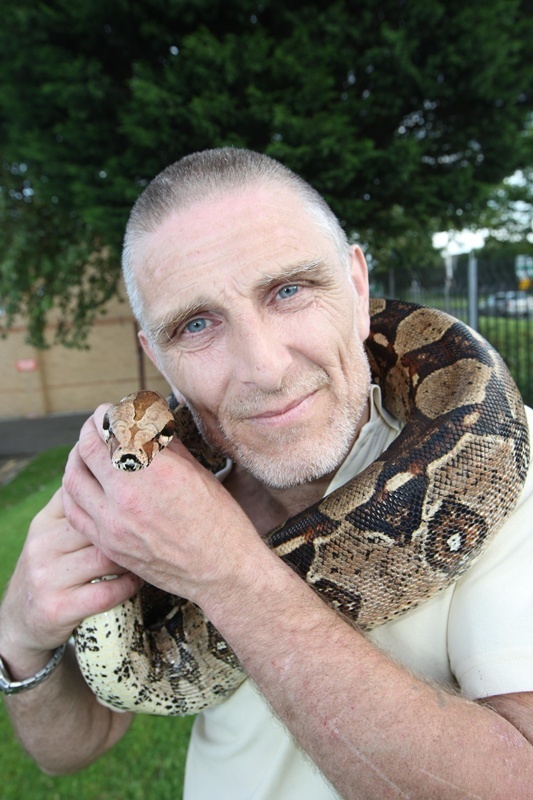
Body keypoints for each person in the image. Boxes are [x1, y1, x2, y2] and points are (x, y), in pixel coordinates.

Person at [1, 148, 533, 800]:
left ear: (358, 286)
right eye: (196, 324)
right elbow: (74, 744)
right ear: (156, 356)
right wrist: (22, 640)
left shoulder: (510, 464)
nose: (264, 369)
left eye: (289, 290)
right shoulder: (147, 499)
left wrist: (225, 574)